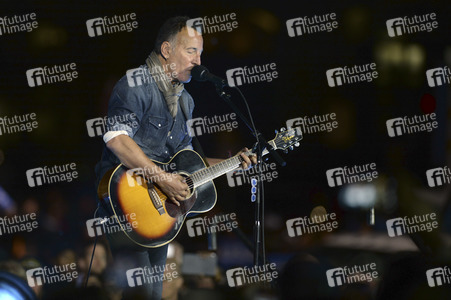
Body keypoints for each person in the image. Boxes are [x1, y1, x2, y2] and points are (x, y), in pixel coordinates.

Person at [94, 16, 256, 299]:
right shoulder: (135, 84)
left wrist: (234, 163)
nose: (198, 60)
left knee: (154, 294)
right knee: (137, 293)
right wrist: (163, 179)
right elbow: (116, 139)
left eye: (201, 52)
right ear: (167, 50)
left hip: (159, 216)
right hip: (126, 204)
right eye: (191, 51)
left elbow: (188, 164)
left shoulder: (185, 101)